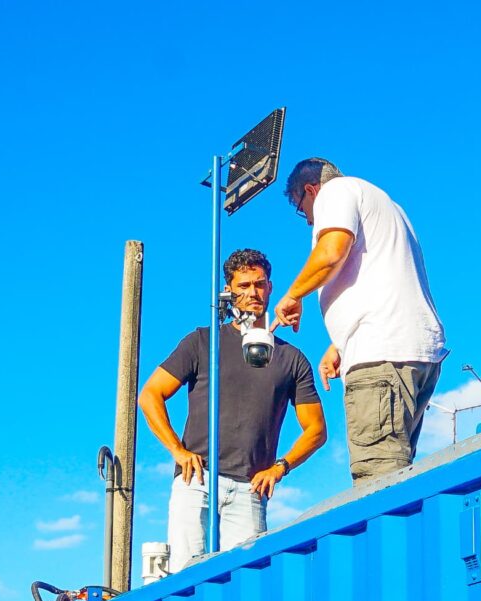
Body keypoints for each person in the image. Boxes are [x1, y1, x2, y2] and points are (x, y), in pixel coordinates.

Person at [140, 247, 327, 566]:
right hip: (196, 481)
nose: (253, 292)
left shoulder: (291, 359)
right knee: (187, 576)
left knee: (246, 579)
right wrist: (177, 451)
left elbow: (317, 430)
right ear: (229, 290)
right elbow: (150, 395)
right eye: (244, 285)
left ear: (270, 287)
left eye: (259, 284)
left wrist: (280, 467)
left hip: (249, 488)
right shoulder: (202, 342)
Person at [272, 159, 446, 485]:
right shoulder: (385, 205)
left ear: (310, 190)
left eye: (300, 207)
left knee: (377, 481)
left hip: (381, 355)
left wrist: (294, 294)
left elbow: (331, 252)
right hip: (414, 352)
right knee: (397, 471)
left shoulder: (335, 192)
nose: (308, 219)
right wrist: (341, 344)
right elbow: (380, 279)